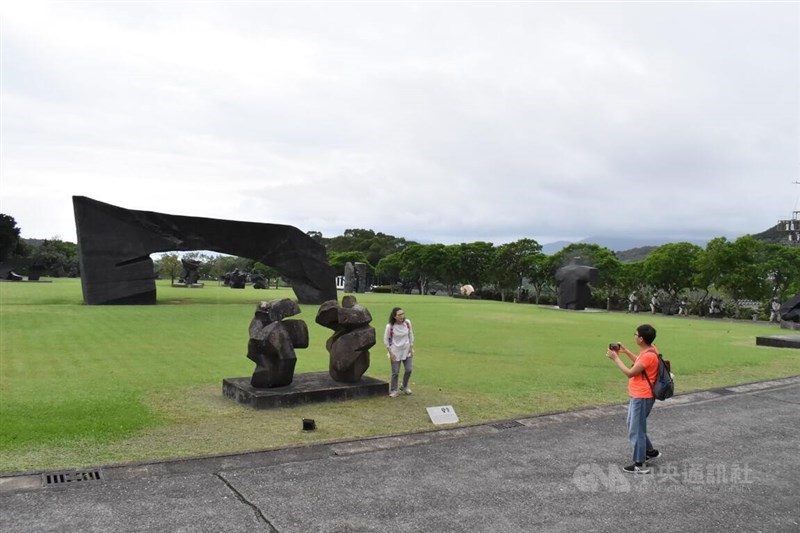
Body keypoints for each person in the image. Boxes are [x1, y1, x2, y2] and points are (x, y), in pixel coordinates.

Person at [606, 324, 662, 474]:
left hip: (642, 396)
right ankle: (650, 451)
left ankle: (640, 464)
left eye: (635, 335)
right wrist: (625, 352)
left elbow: (630, 372)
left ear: (641, 338)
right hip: (639, 395)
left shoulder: (649, 355)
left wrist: (616, 358)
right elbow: (639, 362)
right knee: (634, 425)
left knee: (636, 429)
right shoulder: (650, 350)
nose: (634, 337)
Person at [384, 307, 414, 398]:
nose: (402, 316)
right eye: (399, 315)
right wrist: (390, 352)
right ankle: (393, 390)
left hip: (406, 349)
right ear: (394, 316)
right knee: (395, 372)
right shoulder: (390, 326)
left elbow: (411, 335)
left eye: (402, 314)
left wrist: (411, 347)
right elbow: (386, 340)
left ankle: (404, 386)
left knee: (409, 369)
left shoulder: (407, 323)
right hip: (395, 351)